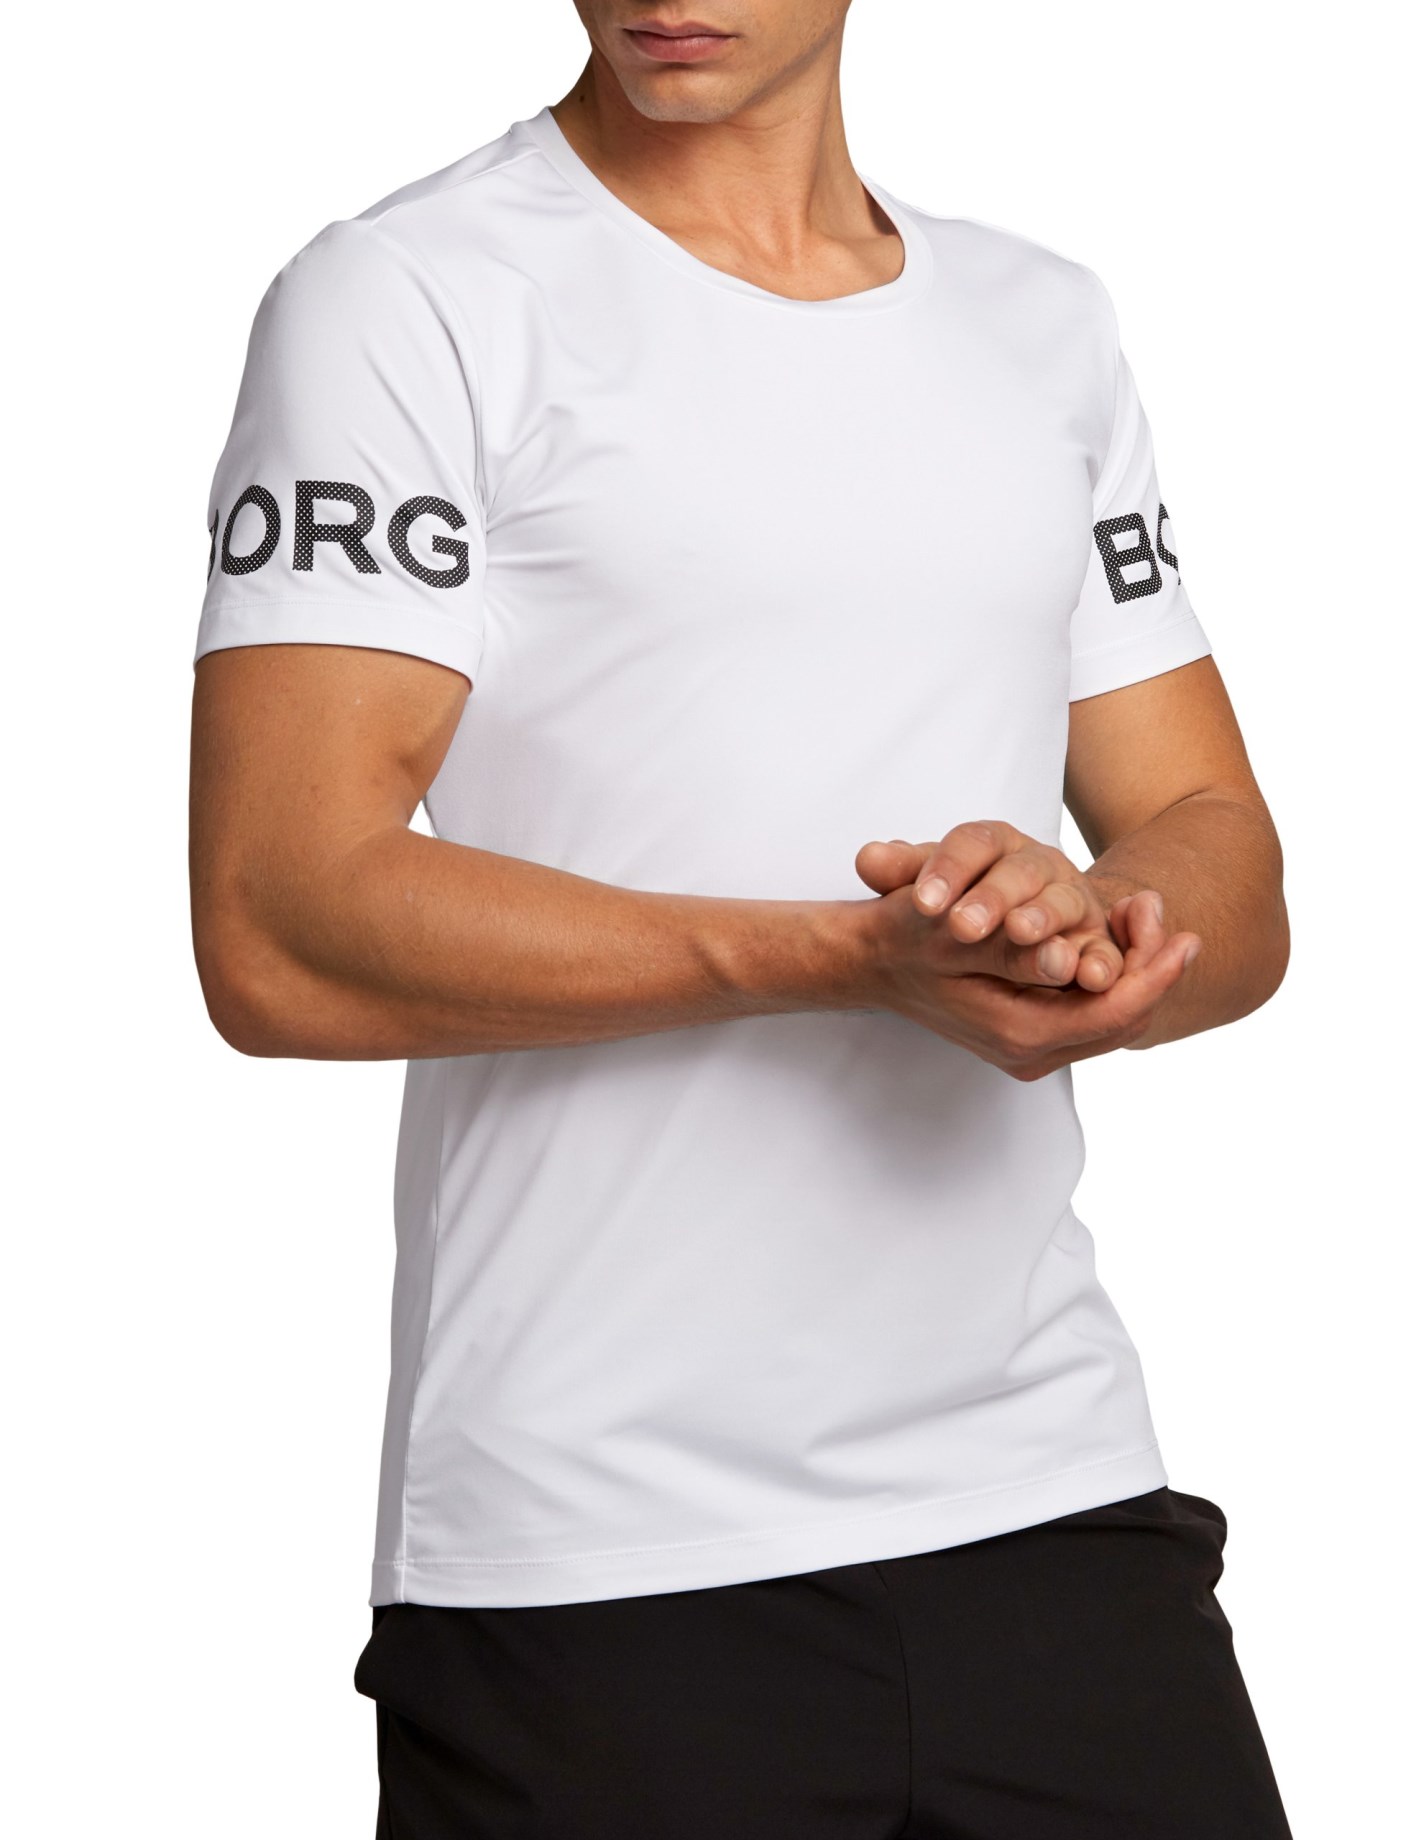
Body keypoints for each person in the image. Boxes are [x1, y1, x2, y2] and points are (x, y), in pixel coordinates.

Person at [188, 3, 1294, 1833]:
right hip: (598, 1555)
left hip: (1050, 1495)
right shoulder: (409, 294)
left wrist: (1095, 927)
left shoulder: (1041, 322)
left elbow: (1218, 849)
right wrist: (850, 958)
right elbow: (275, 923)